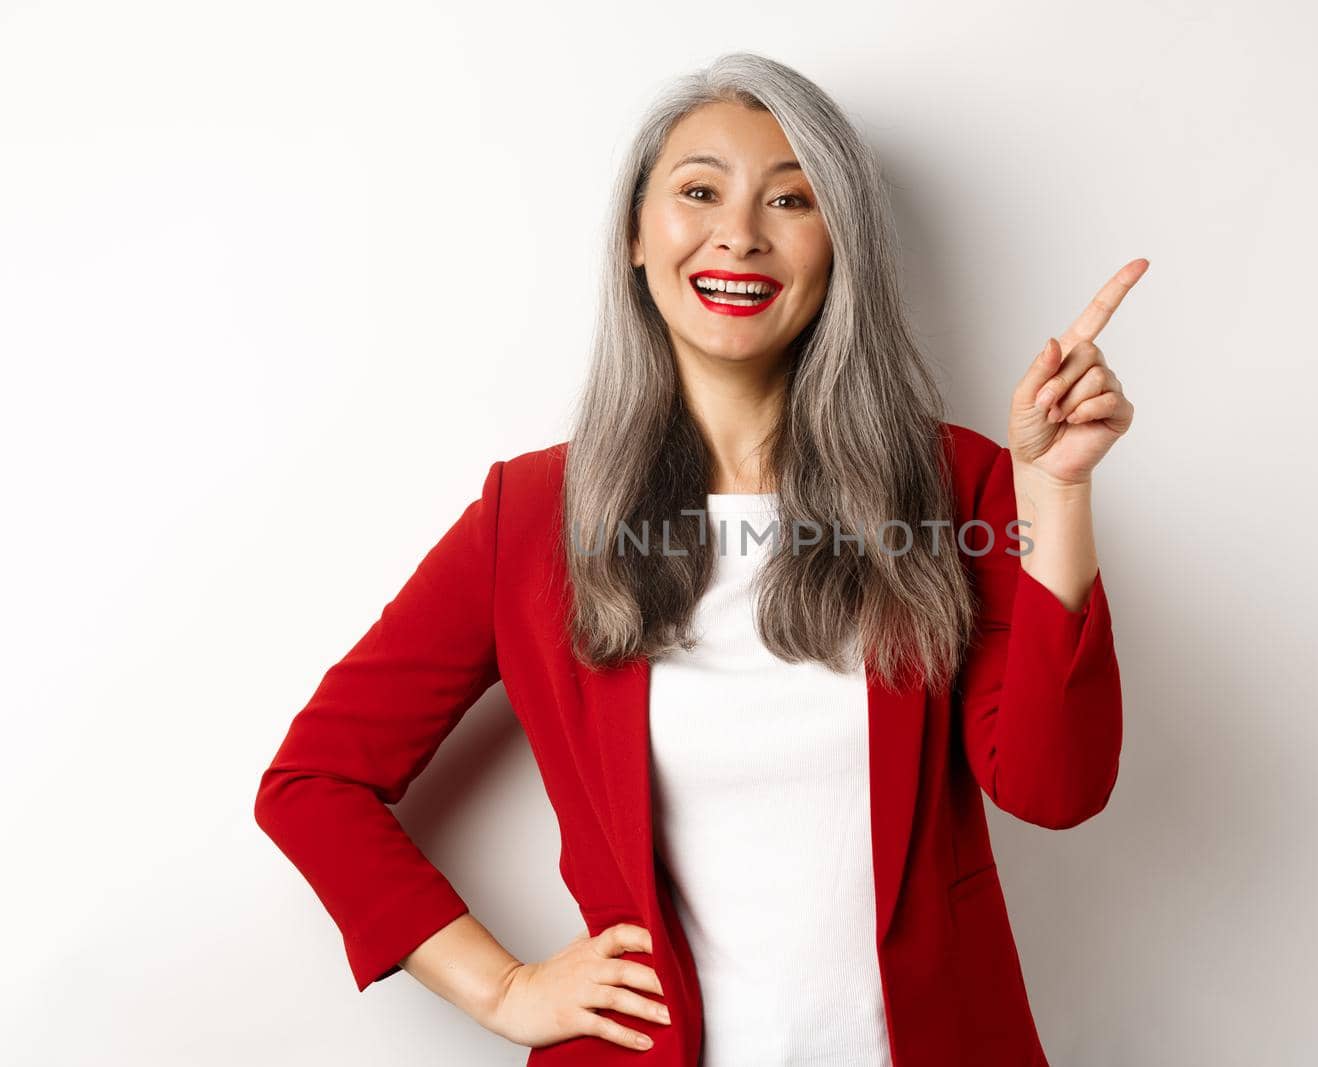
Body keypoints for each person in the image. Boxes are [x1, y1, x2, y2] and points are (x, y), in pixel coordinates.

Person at [255, 50, 1142, 1066]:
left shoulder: (958, 485)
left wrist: (1058, 493)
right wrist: (502, 987)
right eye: (698, 191)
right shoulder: (535, 514)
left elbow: (1053, 787)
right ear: (638, 234)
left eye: (792, 199)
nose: (739, 233)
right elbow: (314, 779)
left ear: (838, 246)